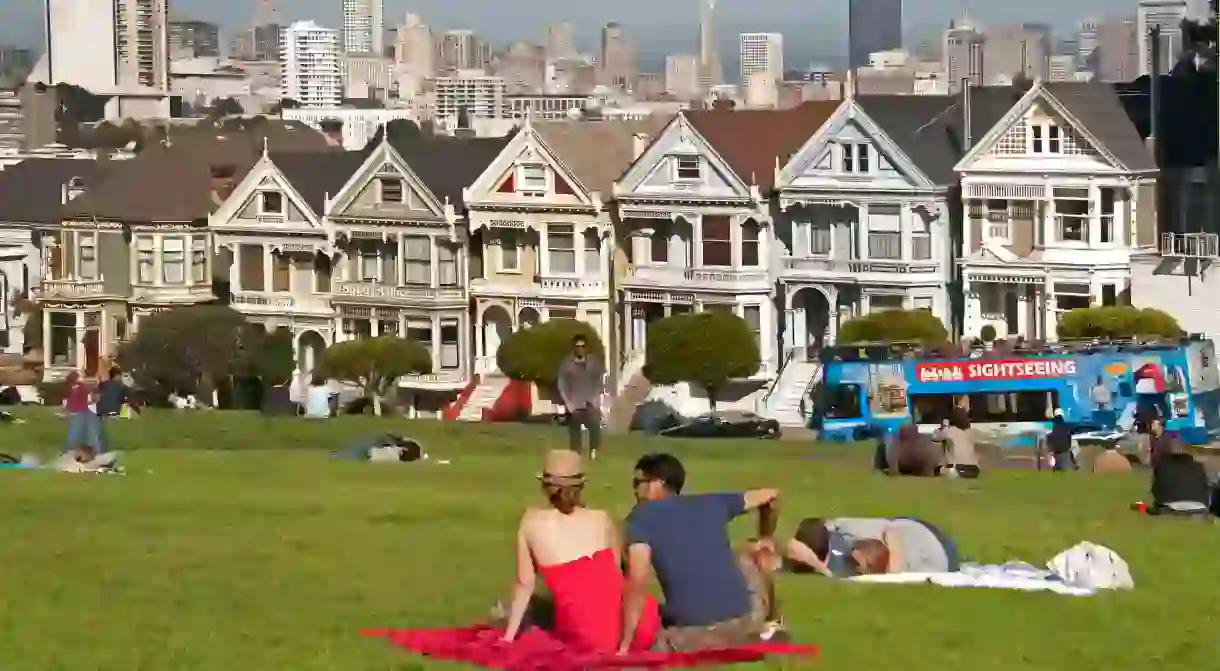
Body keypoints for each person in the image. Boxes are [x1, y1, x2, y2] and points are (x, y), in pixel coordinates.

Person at [499, 450, 661, 652]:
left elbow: (525, 585)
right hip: (639, 624)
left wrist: (508, 637)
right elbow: (617, 576)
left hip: (589, 632)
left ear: (544, 486)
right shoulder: (602, 518)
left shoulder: (530, 522)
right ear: (582, 485)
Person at [620, 453, 781, 653]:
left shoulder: (641, 517)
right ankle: (772, 623)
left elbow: (638, 580)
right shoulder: (710, 502)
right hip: (746, 624)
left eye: (638, 482)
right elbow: (772, 496)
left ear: (657, 484)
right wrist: (765, 537)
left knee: (653, 633)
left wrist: (625, 643)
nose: (635, 489)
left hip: (694, 635)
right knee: (750, 553)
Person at [781, 516, 960, 577]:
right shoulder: (847, 531)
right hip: (916, 535)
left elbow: (892, 533)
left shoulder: (894, 569)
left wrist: (821, 569)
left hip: (937, 546)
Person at [556, 334, 605, 459]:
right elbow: (562, 384)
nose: (580, 349)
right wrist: (568, 403)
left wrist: (596, 399)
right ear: (573, 348)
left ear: (586, 348)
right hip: (574, 403)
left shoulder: (593, 363)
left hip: (590, 401)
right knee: (575, 433)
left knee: (595, 427)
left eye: (583, 346)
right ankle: (575, 455)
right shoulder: (567, 364)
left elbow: (599, 382)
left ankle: (594, 452)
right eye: (577, 346)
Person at [1150, 440, 1211, 514]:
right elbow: (1206, 490)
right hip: (1199, 507)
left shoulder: (1162, 465)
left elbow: (1155, 490)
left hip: (1170, 507)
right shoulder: (1199, 467)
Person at [932, 407, 980, 478]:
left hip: (958, 469)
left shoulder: (948, 431)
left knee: (937, 469)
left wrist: (944, 427)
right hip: (975, 470)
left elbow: (935, 438)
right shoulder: (973, 432)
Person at [63, 371, 101, 454]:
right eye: (79, 377)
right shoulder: (81, 387)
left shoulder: (70, 388)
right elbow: (91, 398)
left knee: (75, 433)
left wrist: (66, 412)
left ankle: (71, 451)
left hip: (78, 412)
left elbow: (68, 403)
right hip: (82, 412)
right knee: (90, 433)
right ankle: (93, 451)